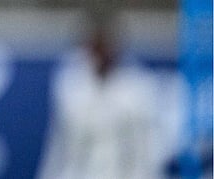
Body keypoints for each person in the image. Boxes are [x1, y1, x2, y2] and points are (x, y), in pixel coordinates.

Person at [36, 15, 164, 179]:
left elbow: (148, 149)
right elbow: (59, 147)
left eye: (104, 47)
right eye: (95, 47)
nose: (100, 54)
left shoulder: (137, 88)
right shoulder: (72, 87)